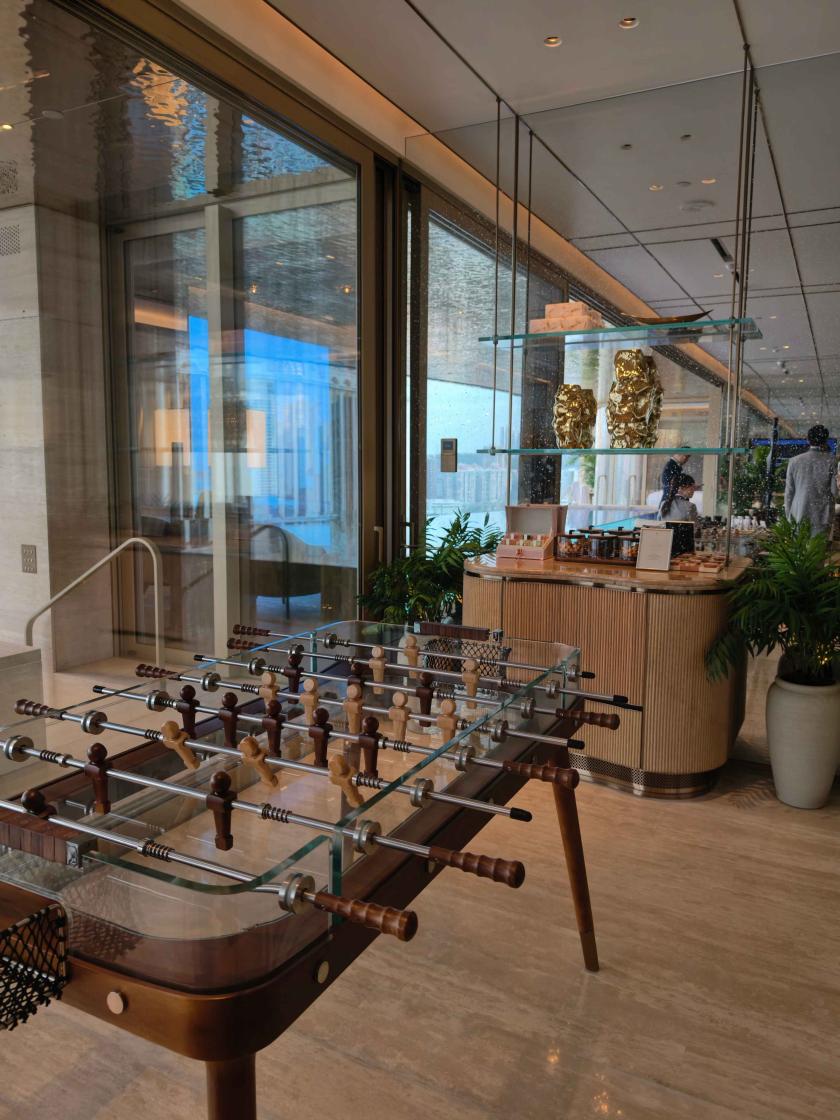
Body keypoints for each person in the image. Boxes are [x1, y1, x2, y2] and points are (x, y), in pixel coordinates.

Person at [784, 424, 838, 536]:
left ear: (808, 440)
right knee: (817, 547)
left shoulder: (794, 461)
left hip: (798, 514)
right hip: (822, 516)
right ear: (825, 441)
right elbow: (834, 492)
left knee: (799, 546)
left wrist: (789, 516)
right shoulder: (831, 461)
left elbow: (789, 493)